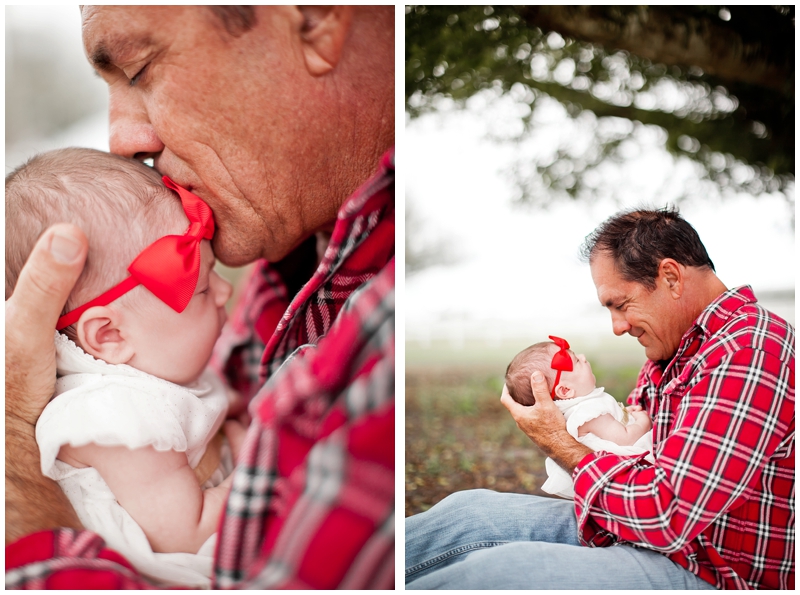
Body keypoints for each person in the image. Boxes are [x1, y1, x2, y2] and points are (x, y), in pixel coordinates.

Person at [6, 6, 394, 589]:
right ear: (108, 335)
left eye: (137, 69)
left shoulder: (381, 327)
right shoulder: (283, 262)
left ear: (314, 20)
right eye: (194, 273)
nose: (121, 139)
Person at [406, 208, 794, 590]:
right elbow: (631, 457)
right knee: (467, 515)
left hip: (710, 569)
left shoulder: (749, 352)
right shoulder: (674, 349)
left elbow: (667, 514)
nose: (617, 326)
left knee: (495, 573)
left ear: (671, 277)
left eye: (620, 304)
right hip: (643, 534)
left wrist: (561, 443)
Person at [6, 148, 247, 588]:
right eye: (201, 287)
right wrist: (257, 456)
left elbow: (205, 406)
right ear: (110, 336)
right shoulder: (114, 415)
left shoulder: (155, 370)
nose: (223, 292)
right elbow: (187, 533)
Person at [505, 336, 652, 499]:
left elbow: (613, 424)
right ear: (565, 390)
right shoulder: (588, 413)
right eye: (576, 361)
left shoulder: (587, 406)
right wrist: (643, 420)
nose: (583, 357)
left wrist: (626, 414)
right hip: (634, 463)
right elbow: (626, 438)